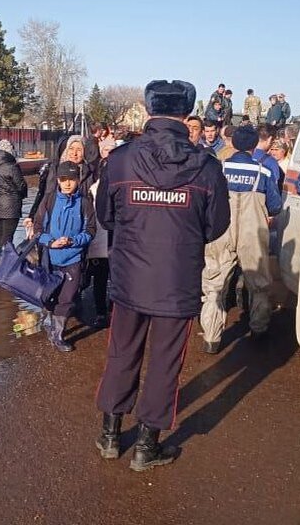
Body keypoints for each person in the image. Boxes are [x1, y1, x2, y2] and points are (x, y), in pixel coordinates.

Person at [94, 79, 230, 470]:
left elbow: (106, 216)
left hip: (130, 277)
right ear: (186, 115)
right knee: (165, 362)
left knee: (122, 353)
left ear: (149, 110)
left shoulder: (120, 160)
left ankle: (109, 435)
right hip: (177, 279)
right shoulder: (205, 167)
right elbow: (217, 224)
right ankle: (145, 447)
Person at [199, 125, 282, 353]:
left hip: (220, 231)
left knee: (215, 285)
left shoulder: (219, 168)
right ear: (254, 145)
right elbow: (275, 206)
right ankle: (258, 329)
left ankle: (211, 338)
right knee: (259, 284)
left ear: (232, 143)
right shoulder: (263, 172)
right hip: (251, 233)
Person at [33, 161, 96, 352]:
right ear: (58, 180)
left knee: (67, 298)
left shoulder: (85, 203)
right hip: (50, 259)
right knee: (48, 296)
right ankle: (47, 320)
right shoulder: (49, 200)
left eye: (72, 179)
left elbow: (91, 231)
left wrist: (74, 241)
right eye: (64, 179)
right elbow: (38, 229)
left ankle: (58, 335)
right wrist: (50, 242)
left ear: (78, 180)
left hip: (74, 260)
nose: (68, 183)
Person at [25, 135, 95, 233]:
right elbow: (42, 193)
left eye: (79, 149)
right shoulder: (53, 168)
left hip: (78, 220)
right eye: (71, 148)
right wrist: (32, 217)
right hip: (54, 216)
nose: (74, 153)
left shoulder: (89, 172)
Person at [86, 138, 116, 328]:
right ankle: (100, 312)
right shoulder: (93, 189)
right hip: (99, 240)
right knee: (99, 278)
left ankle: (114, 311)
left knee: (115, 280)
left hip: (116, 240)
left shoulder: (122, 188)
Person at [0, 140, 28, 271]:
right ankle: (5, 264)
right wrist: (22, 195)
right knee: (8, 235)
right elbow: (21, 185)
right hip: (11, 206)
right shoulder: (12, 167)